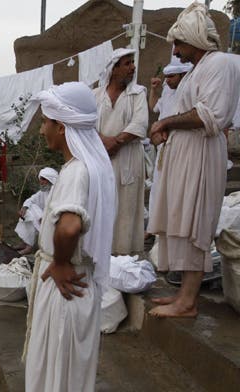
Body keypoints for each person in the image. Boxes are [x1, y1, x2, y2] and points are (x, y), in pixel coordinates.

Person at [148, 3, 240, 318]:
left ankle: (187, 302)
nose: (175, 51)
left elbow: (209, 114)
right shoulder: (197, 69)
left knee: (195, 222)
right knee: (182, 220)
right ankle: (183, 295)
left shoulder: (218, 65)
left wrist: (165, 124)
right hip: (187, 156)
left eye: (179, 43)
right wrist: (166, 128)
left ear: (195, 39)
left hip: (202, 157)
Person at [23, 82, 116, 392]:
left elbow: (69, 226)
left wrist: (61, 262)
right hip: (78, 285)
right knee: (67, 378)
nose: (41, 130)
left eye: (45, 122)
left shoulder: (76, 171)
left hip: (66, 289)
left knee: (56, 378)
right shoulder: (94, 166)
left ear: (61, 127)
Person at [94, 48, 149, 256]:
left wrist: (116, 142)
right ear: (114, 68)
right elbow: (87, 125)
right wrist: (102, 141)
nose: (132, 67)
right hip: (102, 158)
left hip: (127, 158)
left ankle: (123, 259)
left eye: (133, 63)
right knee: (103, 207)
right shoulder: (96, 95)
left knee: (126, 208)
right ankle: (101, 256)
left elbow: (140, 124)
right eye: (127, 63)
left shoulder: (138, 94)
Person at [147, 55, 192, 218]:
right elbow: (154, 108)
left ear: (183, 75)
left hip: (180, 148)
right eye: (166, 77)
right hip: (163, 148)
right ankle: (153, 225)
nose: (168, 81)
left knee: (176, 188)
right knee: (158, 186)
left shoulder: (190, 93)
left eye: (172, 77)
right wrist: (154, 89)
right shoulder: (167, 90)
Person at [14, 167, 58, 255]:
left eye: (43, 179)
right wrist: (24, 207)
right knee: (28, 211)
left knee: (31, 212)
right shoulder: (43, 192)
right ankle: (26, 242)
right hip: (40, 220)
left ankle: (29, 246)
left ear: (51, 180)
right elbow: (31, 199)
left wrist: (44, 217)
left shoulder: (58, 193)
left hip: (52, 222)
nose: (41, 182)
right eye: (40, 179)